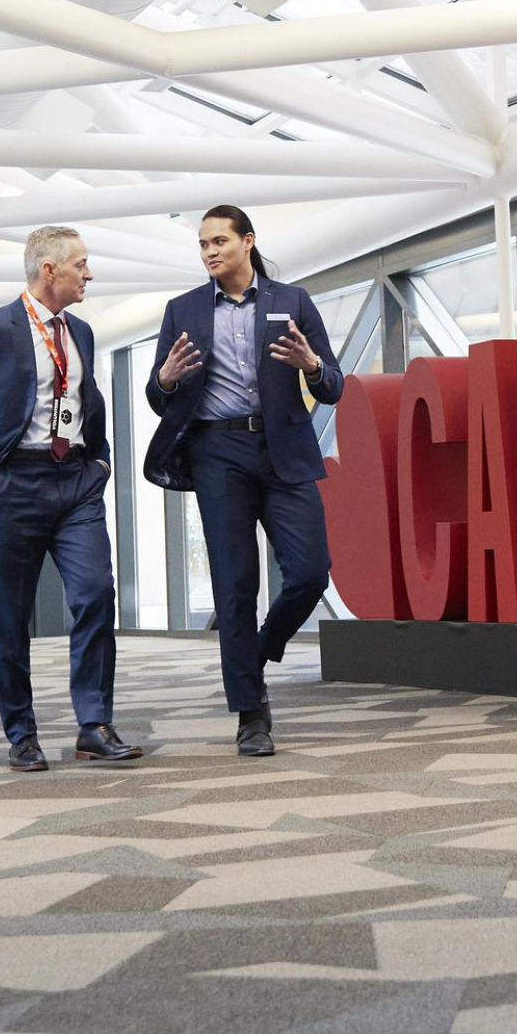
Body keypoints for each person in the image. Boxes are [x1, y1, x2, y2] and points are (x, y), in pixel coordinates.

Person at [0, 226, 143, 772]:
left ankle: (94, 724)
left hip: (74, 484)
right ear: (50, 271)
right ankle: (21, 733)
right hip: (13, 487)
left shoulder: (84, 333)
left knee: (95, 593)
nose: (89, 274)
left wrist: (99, 462)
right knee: (10, 615)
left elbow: (85, 399)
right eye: (81, 265)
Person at [142, 205, 343, 756]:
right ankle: (251, 715)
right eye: (202, 244)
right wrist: (163, 379)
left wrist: (310, 365)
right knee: (236, 585)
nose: (209, 252)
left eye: (219, 241)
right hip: (217, 451)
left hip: (283, 448)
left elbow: (333, 385)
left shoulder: (292, 301)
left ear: (248, 242)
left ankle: (255, 653)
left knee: (309, 572)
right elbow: (158, 397)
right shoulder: (181, 309)